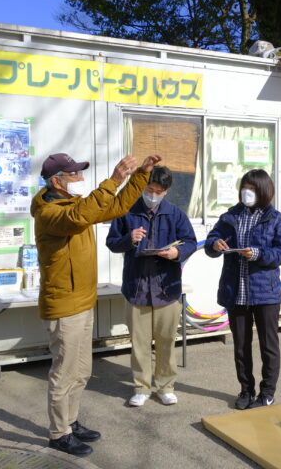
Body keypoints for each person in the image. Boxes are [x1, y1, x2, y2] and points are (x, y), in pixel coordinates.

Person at [31, 152, 161, 457]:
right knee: (64, 372)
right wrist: (115, 179)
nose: (79, 179)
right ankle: (58, 432)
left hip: (82, 300)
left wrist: (140, 175)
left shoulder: (74, 204)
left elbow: (115, 206)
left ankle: (71, 421)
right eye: (74, 175)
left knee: (81, 371)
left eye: (78, 174)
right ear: (56, 181)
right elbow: (80, 216)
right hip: (64, 304)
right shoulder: (49, 212)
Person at [106, 166, 197, 407]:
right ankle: (141, 387)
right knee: (139, 342)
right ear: (142, 187)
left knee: (166, 340)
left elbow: (190, 241)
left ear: (166, 192)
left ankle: (165, 386)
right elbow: (112, 243)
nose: (153, 195)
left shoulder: (175, 214)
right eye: (149, 189)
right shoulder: (127, 211)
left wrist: (177, 252)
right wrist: (129, 239)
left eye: (159, 191)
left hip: (167, 288)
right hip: (137, 287)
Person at [204, 169, 281, 410]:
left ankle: (267, 393)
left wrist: (259, 254)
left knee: (268, 345)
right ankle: (245, 390)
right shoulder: (231, 216)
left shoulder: (274, 218)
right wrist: (215, 243)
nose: (247, 192)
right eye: (244, 187)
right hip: (236, 291)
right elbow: (212, 240)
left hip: (265, 293)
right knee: (241, 345)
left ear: (263, 191)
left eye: (252, 189)